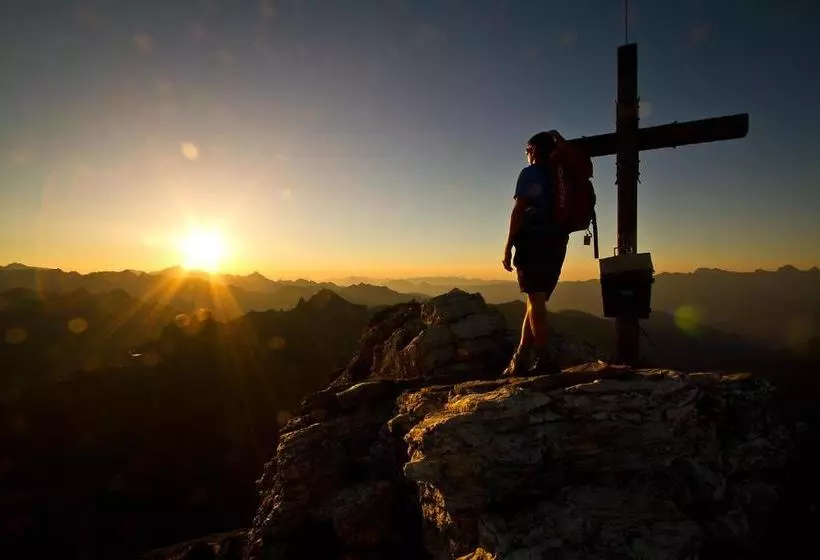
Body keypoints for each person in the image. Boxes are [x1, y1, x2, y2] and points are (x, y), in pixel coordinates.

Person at [501, 130, 570, 376]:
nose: (526, 155)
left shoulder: (530, 173)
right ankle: (519, 359)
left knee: (536, 302)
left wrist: (508, 246)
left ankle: (543, 360)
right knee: (534, 301)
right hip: (558, 243)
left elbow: (519, 210)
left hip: (534, 242)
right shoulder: (562, 175)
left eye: (527, 151)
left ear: (532, 150)